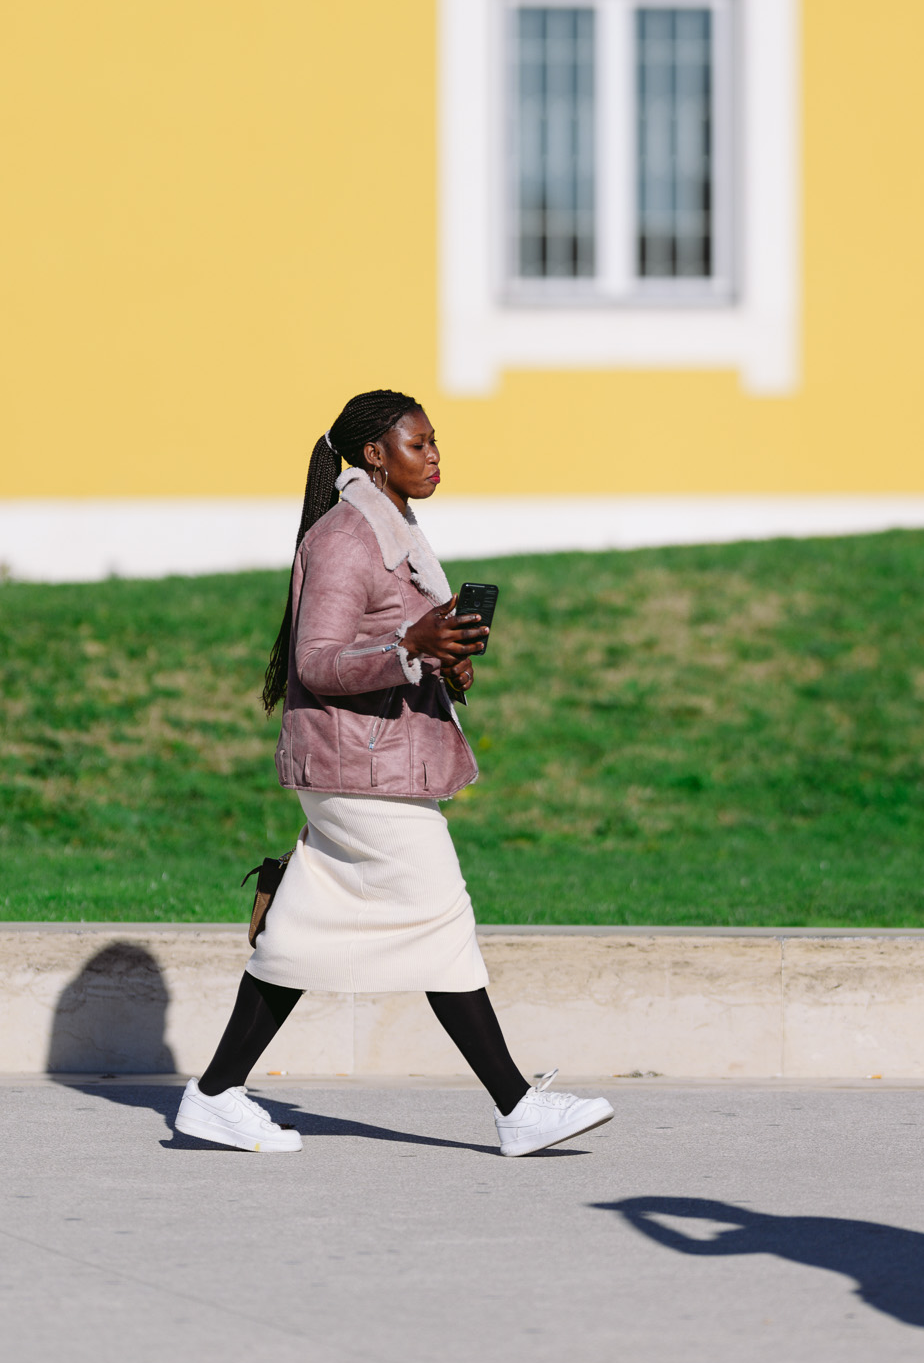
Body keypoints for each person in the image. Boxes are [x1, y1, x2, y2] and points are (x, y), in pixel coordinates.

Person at [174, 389, 614, 1158]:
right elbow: (316, 662)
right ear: (374, 455)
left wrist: (439, 660)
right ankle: (517, 1107)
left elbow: (391, 644)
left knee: (300, 934)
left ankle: (214, 1094)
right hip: (358, 767)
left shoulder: (396, 531)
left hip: (366, 760)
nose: (434, 455)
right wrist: (410, 647)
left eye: (436, 441)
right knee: (441, 921)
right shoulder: (348, 539)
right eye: (418, 444)